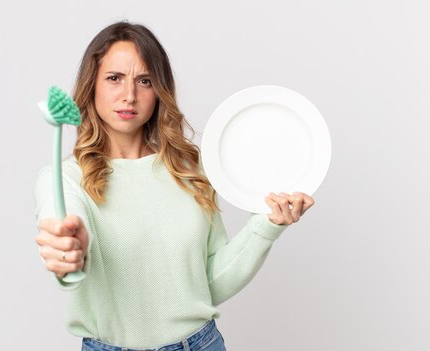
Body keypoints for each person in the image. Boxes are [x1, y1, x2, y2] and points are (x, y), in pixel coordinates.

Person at [34, 21, 314, 351]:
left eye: (144, 81)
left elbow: (210, 284)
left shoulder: (190, 170)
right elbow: (62, 226)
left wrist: (268, 224)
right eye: (114, 78)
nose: (129, 95)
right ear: (91, 86)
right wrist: (67, 248)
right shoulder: (64, 179)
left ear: (159, 91)